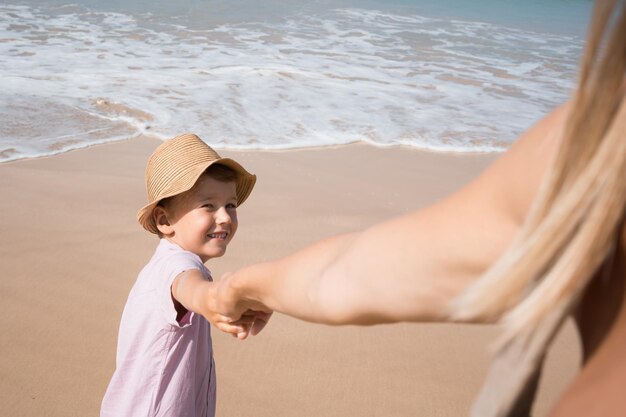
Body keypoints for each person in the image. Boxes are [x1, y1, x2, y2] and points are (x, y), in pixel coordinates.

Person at [211, 1, 626, 416]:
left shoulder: (594, 149)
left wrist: (238, 289)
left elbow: (348, 274)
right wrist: (240, 289)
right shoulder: (597, 149)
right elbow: (351, 274)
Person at [100, 133, 266, 417]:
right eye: (208, 205)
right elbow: (190, 289)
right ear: (165, 220)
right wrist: (215, 300)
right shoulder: (175, 267)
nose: (225, 217)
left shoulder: (178, 265)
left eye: (231, 205)